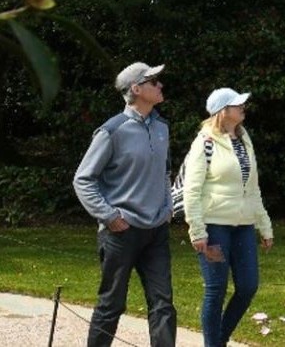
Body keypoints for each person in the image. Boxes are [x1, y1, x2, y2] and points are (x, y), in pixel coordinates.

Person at [73, 61, 177, 347]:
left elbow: (165, 172)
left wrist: (167, 207)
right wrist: (109, 216)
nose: (160, 85)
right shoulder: (111, 131)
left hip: (156, 230)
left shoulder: (162, 127)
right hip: (121, 233)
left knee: (163, 304)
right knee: (111, 306)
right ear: (137, 89)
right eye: (154, 81)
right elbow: (83, 180)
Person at [183, 87, 274, 347]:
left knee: (247, 287)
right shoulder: (205, 142)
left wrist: (264, 226)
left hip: (243, 227)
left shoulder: (245, 139)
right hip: (214, 229)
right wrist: (197, 231)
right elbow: (192, 190)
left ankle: (218, 341)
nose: (243, 107)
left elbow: (253, 187)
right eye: (237, 104)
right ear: (223, 111)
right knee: (216, 290)